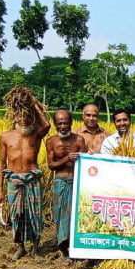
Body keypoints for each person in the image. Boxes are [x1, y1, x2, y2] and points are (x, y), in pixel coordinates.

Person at [0, 91, 51, 260]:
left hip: (32, 179)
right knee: (16, 214)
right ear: (14, 117)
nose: (24, 120)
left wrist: (33, 103)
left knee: (35, 213)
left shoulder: (36, 134)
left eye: (28, 116)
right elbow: (1, 163)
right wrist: (0, 190)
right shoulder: (6, 136)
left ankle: (35, 248)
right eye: (20, 116)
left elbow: (47, 124)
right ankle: (20, 247)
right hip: (13, 179)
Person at [46, 110, 87, 258]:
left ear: (71, 123)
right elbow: (51, 165)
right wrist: (66, 159)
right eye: (59, 123)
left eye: (65, 122)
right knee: (59, 214)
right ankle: (62, 246)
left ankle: (74, 246)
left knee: (75, 215)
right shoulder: (51, 141)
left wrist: (79, 159)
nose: (63, 126)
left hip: (76, 182)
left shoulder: (79, 140)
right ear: (55, 124)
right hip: (60, 182)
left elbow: (86, 163)